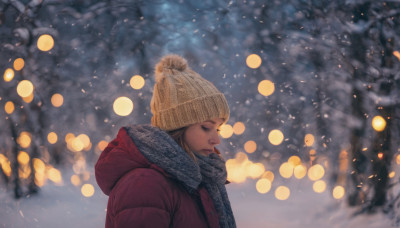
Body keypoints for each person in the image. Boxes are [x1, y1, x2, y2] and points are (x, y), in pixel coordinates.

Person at [95, 54, 236, 228]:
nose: (216, 140)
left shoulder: (198, 179)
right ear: (177, 126)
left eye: (218, 128)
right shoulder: (146, 185)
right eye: (206, 127)